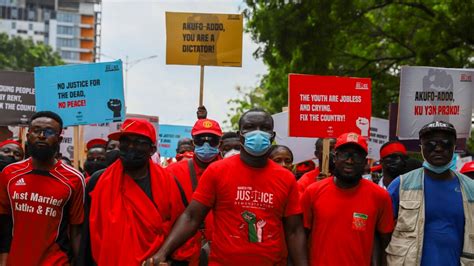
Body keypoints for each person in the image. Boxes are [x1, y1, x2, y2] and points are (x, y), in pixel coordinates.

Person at [144, 109, 307, 266]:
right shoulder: (217, 171)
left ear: (272, 136)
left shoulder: (286, 178)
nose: (258, 133)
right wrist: (162, 253)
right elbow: (192, 217)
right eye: (250, 127)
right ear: (240, 135)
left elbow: (294, 231)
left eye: (264, 128)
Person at [79, 118, 185, 266]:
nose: (130, 147)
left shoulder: (169, 183)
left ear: (152, 149)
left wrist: (167, 259)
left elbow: (180, 229)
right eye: (125, 141)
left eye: (138, 142)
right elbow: (87, 237)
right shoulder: (98, 181)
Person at [0, 111, 85, 265]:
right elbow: (4, 223)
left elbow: (76, 230)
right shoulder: (9, 173)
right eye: (36, 130)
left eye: (49, 132)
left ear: (59, 139)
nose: (41, 135)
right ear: (28, 136)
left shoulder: (75, 179)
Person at [386, 121, 474, 265]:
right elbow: (382, 231)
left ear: (454, 147)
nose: (438, 148)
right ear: (421, 147)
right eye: (430, 144)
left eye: (445, 143)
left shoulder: (471, 188)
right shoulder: (401, 185)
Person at [302, 132, 394, 266]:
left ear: (364, 161)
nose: (350, 161)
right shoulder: (313, 192)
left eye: (356, 156)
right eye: (345, 154)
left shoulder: (380, 196)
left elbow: (384, 240)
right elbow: (300, 236)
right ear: (335, 157)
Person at [166, 118, 223, 265]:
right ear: (193, 143)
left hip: (219, 254)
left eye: (212, 140)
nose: (206, 144)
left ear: (219, 143)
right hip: (182, 254)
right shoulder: (172, 172)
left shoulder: (231, 172)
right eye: (200, 140)